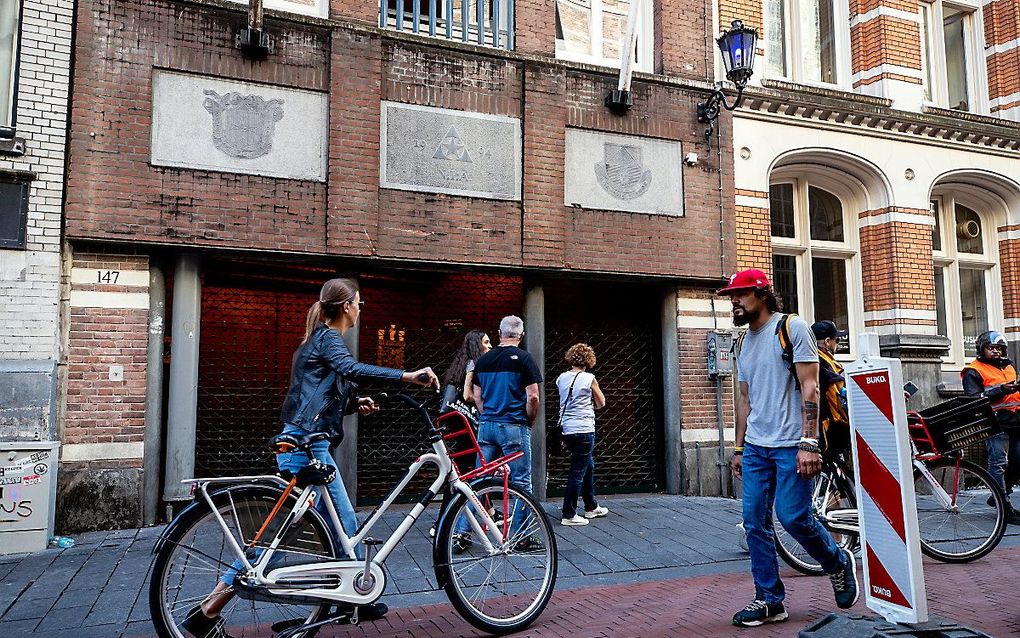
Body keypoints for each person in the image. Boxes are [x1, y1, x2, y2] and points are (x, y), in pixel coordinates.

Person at [182, 278, 440, 638]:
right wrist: (407, 375)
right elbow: (350, 369)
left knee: (331, 527)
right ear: (346, 306)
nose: (361, 308)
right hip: (306, 447)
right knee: (283, 539)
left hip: (305, 442)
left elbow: (315, 393)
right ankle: (208, 610)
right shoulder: (328, 339)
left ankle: (350, 599)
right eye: (359, 303)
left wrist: (353, 404)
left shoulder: (316, 341)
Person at [720, 269, 858, 627]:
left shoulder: (792, 328)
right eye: (731, 295)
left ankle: (836, 561)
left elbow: (810, 387)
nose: (734, 300)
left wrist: (809, 444)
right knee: (754, 523)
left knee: (793, 517)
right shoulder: (742, 342)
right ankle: (769, 600)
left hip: (793, 445)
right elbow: (745, 399)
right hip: (756, 448)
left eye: (741, 293)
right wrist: (738, 447)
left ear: (762, 294)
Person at [452, 315, 543, 553]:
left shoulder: (484, 361)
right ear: (521, 336)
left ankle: (461, 532)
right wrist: (528, 419)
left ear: (500, 333)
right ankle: (520, 537)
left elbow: (477, 397)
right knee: (521, 482)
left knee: (477, 481)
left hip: (487, 425)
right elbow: (533, 397)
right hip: (513, 425)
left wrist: (486, 417)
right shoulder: (525, 359)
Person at [961, 330, 1020, 525]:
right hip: (995, 423)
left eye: (999, 348)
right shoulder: (973, 370)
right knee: (998, 464)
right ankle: (1004, 505)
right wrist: (1000, 390)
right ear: (981, 349)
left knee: (1018, 462)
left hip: (1016, 420)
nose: (995, 352)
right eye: (991, 348)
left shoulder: (1008, 366)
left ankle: (997, 493)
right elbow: (973, 399)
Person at [556, 343, 609, 526]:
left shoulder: (561, 378)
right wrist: (589, 406)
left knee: (588, 466)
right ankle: (569, 514)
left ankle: (591, 506)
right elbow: (601, 402)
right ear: (588, 360)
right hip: (584, 429)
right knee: (577, 471)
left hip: (567, 429)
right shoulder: (589, 378)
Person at [811, 320, 850, 459]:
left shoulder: (814, 360)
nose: (837, 344)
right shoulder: (823, 364)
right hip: (829, 431)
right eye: (837, 339)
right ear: (828, 341)